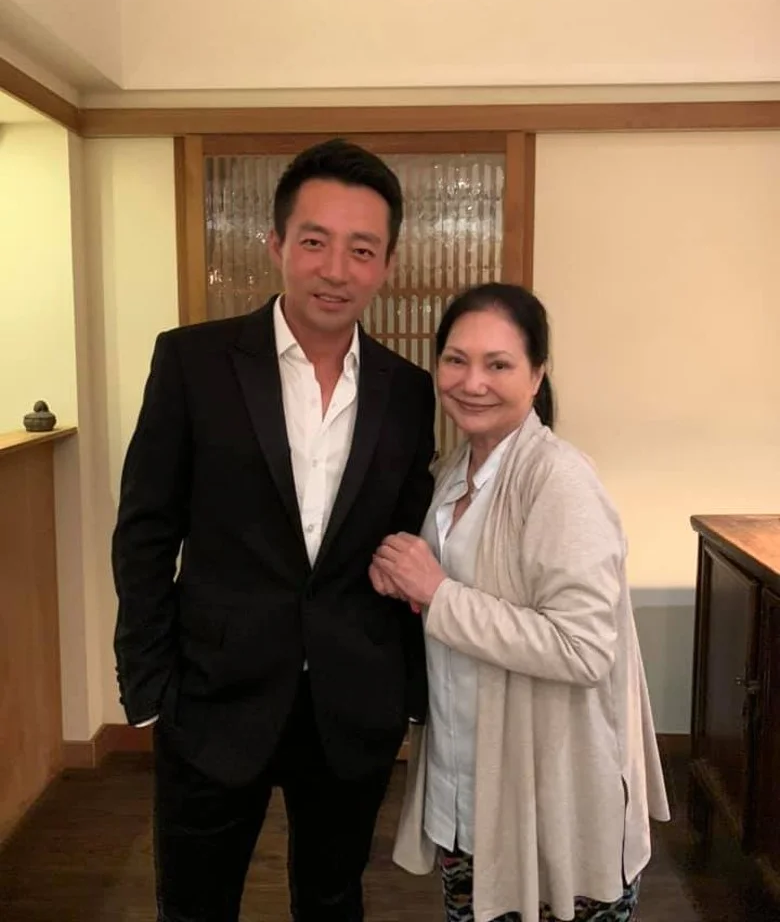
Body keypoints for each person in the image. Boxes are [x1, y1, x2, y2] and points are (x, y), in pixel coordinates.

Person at [111, 139, 436, 922]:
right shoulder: (193, 362)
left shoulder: (407, 390)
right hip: (211, 697)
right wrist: (149, 685)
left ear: (386, 264)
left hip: (350, 702)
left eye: (362, 250)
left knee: (333, 899)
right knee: (195, 904)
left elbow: (407, 545)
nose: (336, 269)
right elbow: (146, 529)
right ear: (277, 244)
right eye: (315, 241)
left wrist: (411, 692)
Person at [370, 282, 670, 922]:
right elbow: (458, 600)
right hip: (466, 785)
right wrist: (404, 578)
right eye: (456, 360)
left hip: (550, 792)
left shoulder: (559, 478)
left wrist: (438, 593)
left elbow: (582, 648)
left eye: (498, 364)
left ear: (537, 376)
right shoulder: (453, 472)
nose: (472, 382)